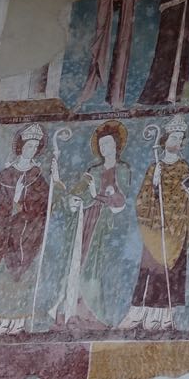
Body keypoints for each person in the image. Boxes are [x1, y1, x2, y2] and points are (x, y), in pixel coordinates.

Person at [122, 116, 189, 330]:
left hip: (177, 229)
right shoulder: (155, 167)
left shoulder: (184, 168)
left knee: (173, 272)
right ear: (165, 140)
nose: (177, 142)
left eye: (180, 138)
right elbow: (142, 200)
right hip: (157, 227)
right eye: (173, 137)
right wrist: (155, 183)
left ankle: (166, 316)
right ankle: (144, 313)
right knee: (152, 269)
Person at [0, 122, 51, 334]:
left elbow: (43, 207)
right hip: (6, 237)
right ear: (21, 147)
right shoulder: (5, 176)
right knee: (3, 274)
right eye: (29, 146)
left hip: (28, 236)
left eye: (35, 147)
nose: (31, 150)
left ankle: (17, 321)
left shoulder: (38, 176)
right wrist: (15, 202)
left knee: (23, 275)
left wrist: (24, 202)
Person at [60, 120, 130, 328]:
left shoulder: (122, 169)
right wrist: (71, 201)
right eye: (101, 145)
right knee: (78, 261)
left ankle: (92, 314)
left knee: (95, 266)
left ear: (116, 145)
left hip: (106, 225)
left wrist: (99, 196)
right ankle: (72, 311)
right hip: (87, 220)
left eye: (108, 143)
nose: (104, 148)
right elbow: (78, 191)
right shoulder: (93, 170)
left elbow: (121, 202)